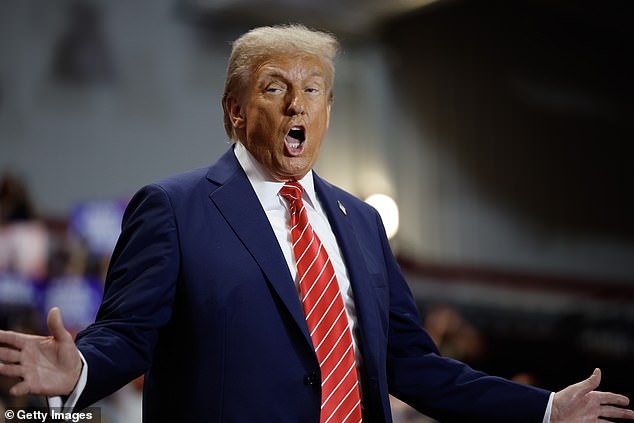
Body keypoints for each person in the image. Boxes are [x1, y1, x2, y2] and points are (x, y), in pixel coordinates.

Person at [0, 24, 632, 423]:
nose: (298, 102)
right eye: (275, 87)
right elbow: (126, 333)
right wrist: (78, 371)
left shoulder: (359, 224)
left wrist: (545, 409)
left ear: (327, 112)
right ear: (236, 113)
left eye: (314, 90)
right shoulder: (175, 208)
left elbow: (415, 366)